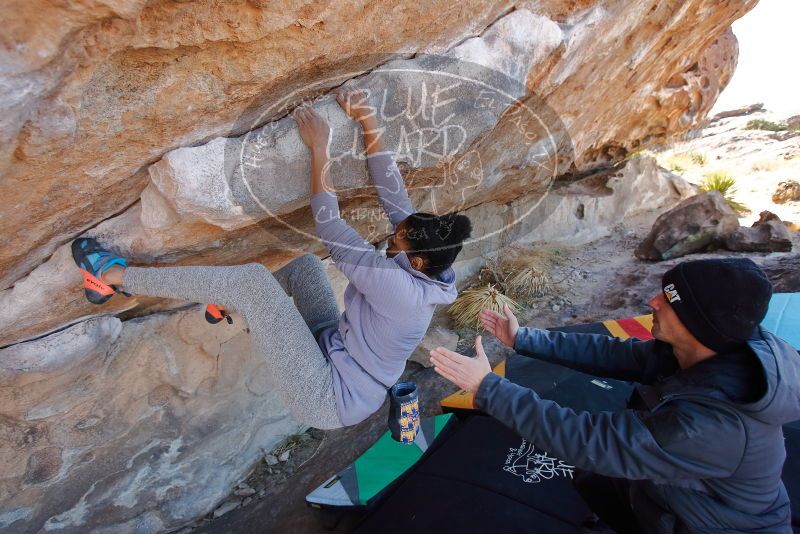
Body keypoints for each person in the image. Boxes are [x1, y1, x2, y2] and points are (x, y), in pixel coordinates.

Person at [71, 88, 472, 429]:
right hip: (333, 348)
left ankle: (112, 275)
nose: (390, 238)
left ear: (416, 262)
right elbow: (394, 194)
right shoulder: (430, 259)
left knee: (253, 283)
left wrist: (320, 148)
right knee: (305, 268)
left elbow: (331, 228)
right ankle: (224, 303)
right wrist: (366, 117)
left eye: (396, 242)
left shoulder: (402, 291)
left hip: (328, 395)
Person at [430, 257, 799, 533]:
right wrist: (523, 339)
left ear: (699, 324)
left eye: (670, 300)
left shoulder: (712, 425)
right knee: (598, 483)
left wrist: (489, 388)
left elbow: (591, 440)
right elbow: (613, 353)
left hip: (712, 527)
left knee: (595, 467)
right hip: (674, 502)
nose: (653, 301)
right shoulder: (710, 349)